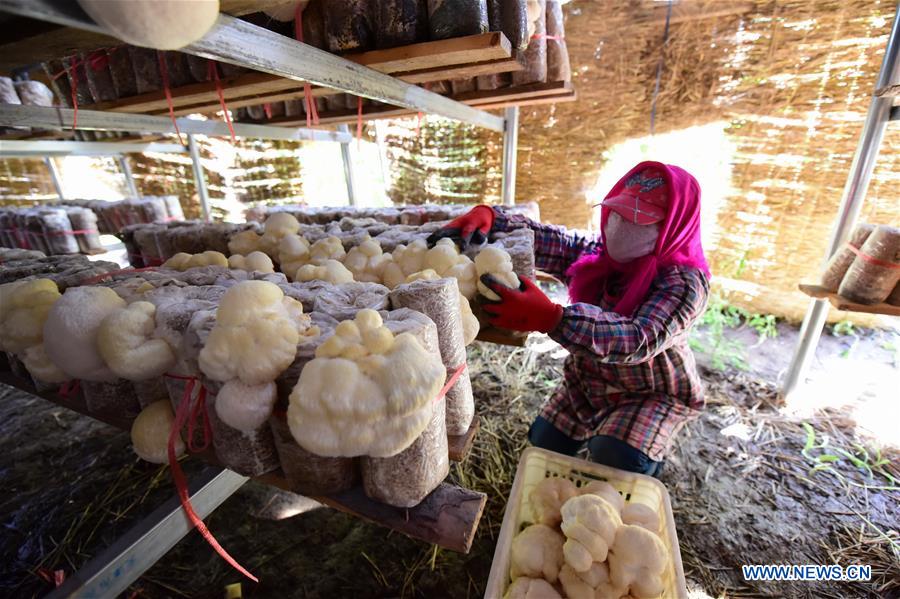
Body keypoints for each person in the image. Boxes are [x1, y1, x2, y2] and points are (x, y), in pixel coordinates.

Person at [428, 161, 710, 477]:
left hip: (648, 393)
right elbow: (555, 241)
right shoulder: (602, 257)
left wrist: (554, 318)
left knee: (615, 458)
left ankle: (631, 477)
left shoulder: (683, 284)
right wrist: (493, 219)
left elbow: (638, 338)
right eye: (617, 212)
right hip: (589, 381)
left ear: (675, 224)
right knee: (543, 447)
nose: (620, 226)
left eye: (639, 220)